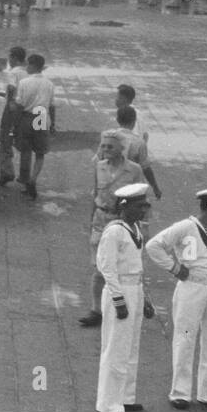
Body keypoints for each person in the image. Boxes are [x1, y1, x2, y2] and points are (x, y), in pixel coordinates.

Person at [146, 189, 207, 411]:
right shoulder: (185, 227)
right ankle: (180, 393)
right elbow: (154, 246)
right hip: (191, 288)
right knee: (185, 337)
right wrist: (175, 268)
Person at [94, 184, 154, 412]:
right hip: (119, 291)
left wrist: (144, 298)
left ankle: (125, 399)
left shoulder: (135, 228)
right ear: (124, 206)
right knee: (115, 349)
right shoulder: (114, 231)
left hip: (134, 289)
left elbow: (137, 267)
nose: (144, 210)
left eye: (145, 206)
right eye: (140, 206)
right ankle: (108, 404)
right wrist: (119, 300)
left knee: (130, 348)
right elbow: (106, 267)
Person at [77, 131, 146, 328]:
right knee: (99, 269)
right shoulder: (99, 167)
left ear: (121, 149)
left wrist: (144, 226)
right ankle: (96, 309)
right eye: (103, 146)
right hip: (101, 220)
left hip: (122, 223)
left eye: (110, 146)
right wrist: (91, 221)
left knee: (122, 267)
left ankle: (121, 304)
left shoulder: (134, 170)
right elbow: (94, 193)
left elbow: (142, 200)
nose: (105, 150)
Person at [13, 54, 55, 198]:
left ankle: (25, 181)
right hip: (42, 116)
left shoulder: (24, 82)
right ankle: (33, 179)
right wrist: (52, 124)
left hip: (27, 117)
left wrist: (16, 123)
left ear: (32, 65)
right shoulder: (49, 84)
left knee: (25, 150)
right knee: (40, 152)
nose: (27, 67)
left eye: (28, 65)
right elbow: (52, 105)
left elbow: (20, 104)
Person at [0, 46, 28, 187]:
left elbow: (11, 88)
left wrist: (9, 104)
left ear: (14, 58)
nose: (9, 60)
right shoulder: (29, 72)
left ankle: (7, 172)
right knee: (26, 143)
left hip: (12, 108)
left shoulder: (13, 72)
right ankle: (25, 175)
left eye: (10, 57)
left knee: (5, 139)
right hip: (27, 110)